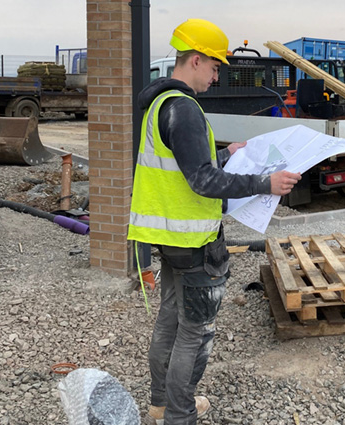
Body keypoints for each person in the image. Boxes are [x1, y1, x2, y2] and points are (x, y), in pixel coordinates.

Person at [127, 18, 301, 425]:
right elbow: (203, 181)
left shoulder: (159, 105)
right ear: (195, 60)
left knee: (170, 320)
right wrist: (265, 182)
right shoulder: (184, 109)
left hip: (167, 239)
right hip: (194, 244)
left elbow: (188, 165)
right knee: (195, 332)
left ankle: (159, 405)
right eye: (215, 67)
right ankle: (179, 417)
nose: (217, 74)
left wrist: (227, 153)